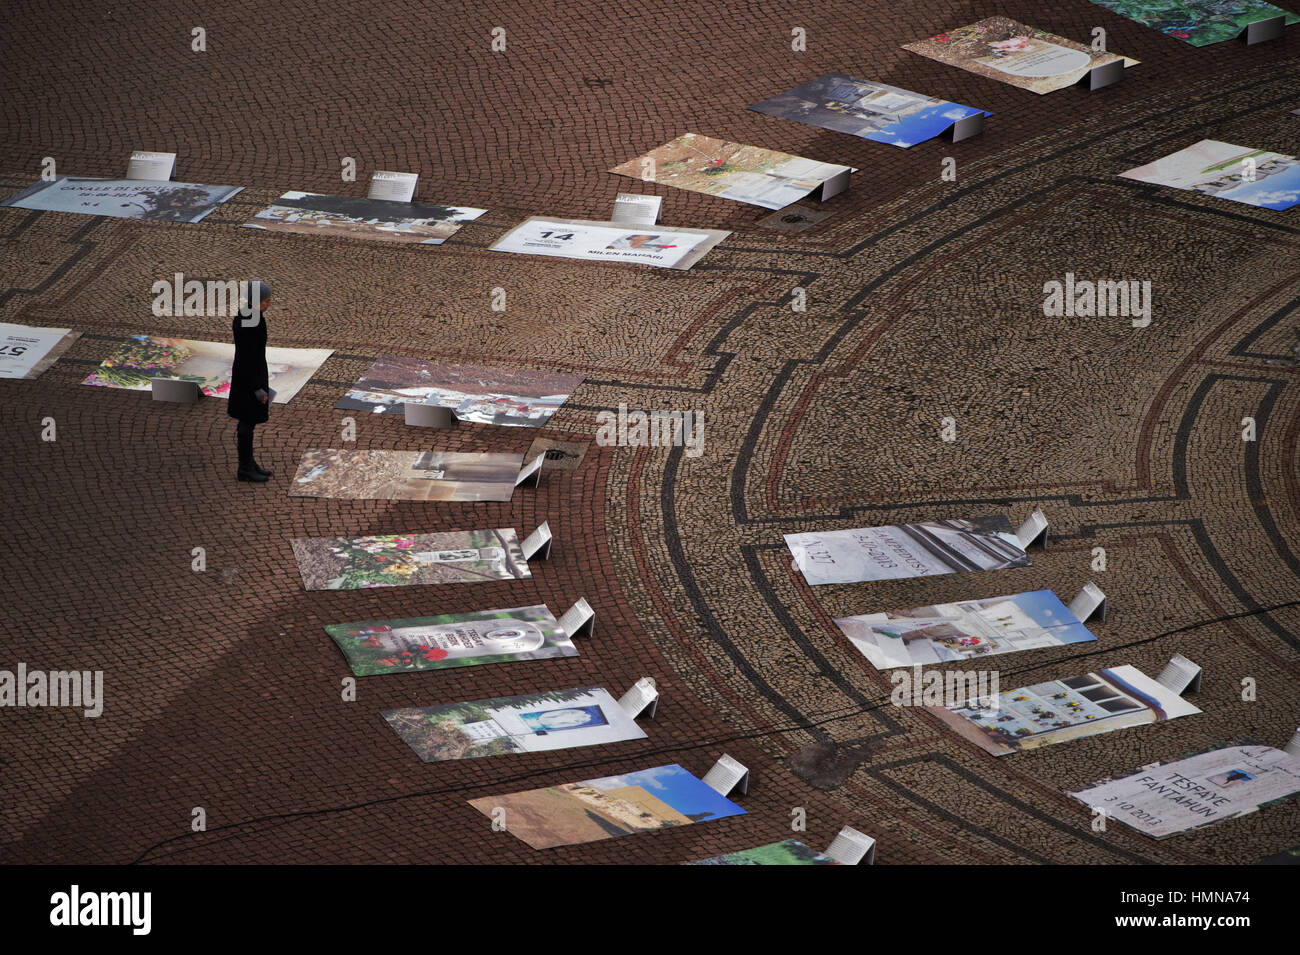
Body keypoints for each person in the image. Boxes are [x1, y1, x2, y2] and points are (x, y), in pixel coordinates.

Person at [229, 279, 274, 482]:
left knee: (247, 423)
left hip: (247, 378)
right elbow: (249, 358)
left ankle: (248, 463)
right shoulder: (251, 322)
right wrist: (258, 389)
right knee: (247, 423)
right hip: (249, 382)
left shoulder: (250, 317)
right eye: (266, 300)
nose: (269, 303)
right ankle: (245, 467)